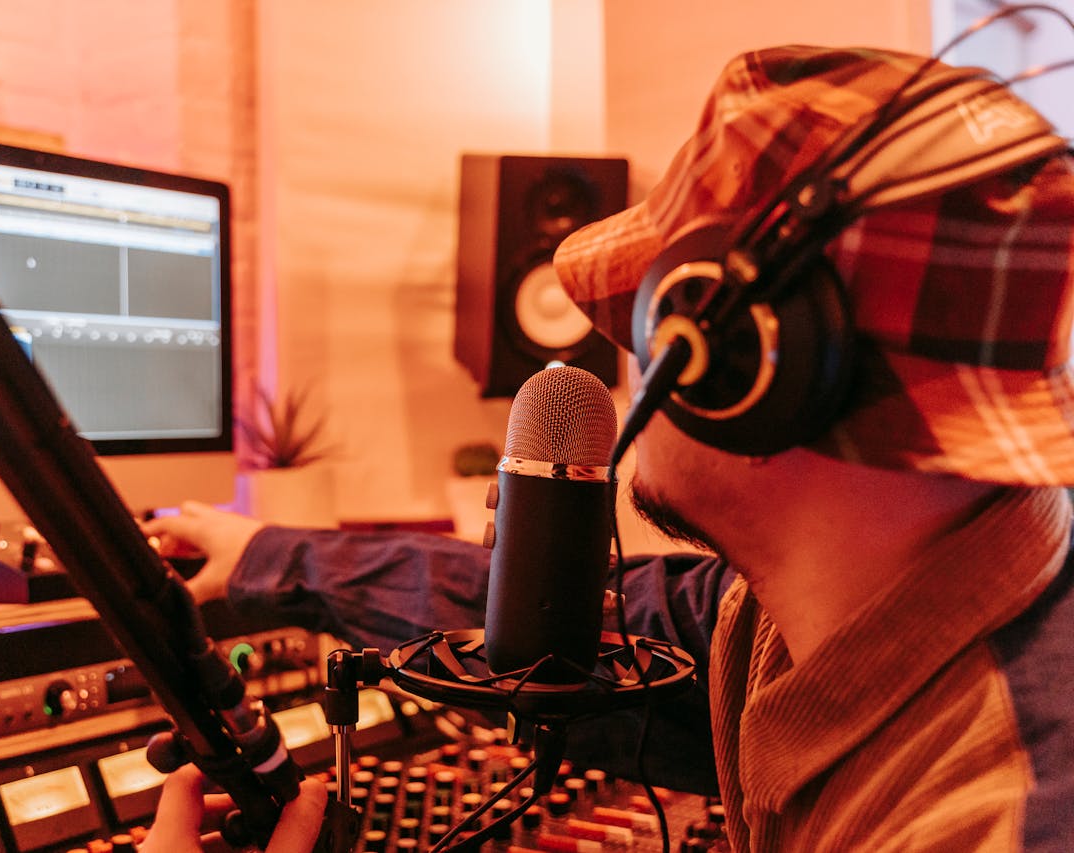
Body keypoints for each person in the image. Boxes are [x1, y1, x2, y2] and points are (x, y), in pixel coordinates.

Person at [141, 44, 1074, 852]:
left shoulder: (1002, 814)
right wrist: (274, 554)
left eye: (645, 314)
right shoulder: (824, 600)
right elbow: (571, 632)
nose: (626, 359)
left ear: (737, 364)